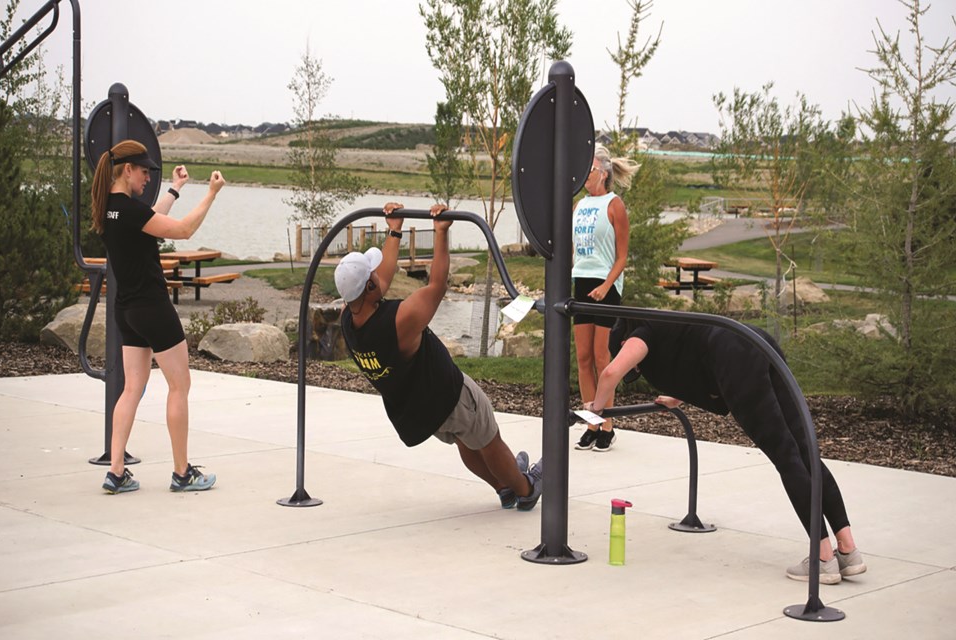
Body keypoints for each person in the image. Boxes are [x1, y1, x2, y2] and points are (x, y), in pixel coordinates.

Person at [584, 318, 867, 585]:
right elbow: (696, 353)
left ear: (621, 343)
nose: (637, 370)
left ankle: (823, 557)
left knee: (786, 456)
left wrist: (597, 408)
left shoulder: (638, 332)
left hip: (736, 356)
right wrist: (678, 396)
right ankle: (847, 549)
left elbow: (611, 372)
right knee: (805, 451)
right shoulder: (665, 323)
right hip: (754, 339)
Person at [335, 202, 543, 510]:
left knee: (466, 440)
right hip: (448, 393)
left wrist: (395, 230)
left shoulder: (349, 321)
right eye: (372, 274)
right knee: (488, 440)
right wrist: (441, 232)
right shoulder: (398, 323)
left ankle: (504, 485)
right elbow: (437, 286)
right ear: (367, 285)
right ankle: (526, 487)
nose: (379, 274)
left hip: (421, 410)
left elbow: (383, 280)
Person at [90, 139, 226, 494]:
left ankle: (116, 471)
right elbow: (180, 230)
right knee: (180, 386)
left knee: (132, 388)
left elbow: (153, 220)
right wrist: (211, 194)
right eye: (145, 171)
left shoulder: (109, 210)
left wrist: (176, 188)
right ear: (128, 170)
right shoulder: (131, 212)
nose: (149, 176)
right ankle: (182, 473)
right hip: (153, 308)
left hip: (127, 312)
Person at [572, 144, 638, 453]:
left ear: (603, 173)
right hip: (581, 281)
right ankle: (591, 422)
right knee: (583, 358)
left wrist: (606, 285)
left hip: (606, 284)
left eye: (588, 170)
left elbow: (622, 256)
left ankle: (607, 424)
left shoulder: (615, 205)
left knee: (602, 358)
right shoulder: (579, 205)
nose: (584, 175)